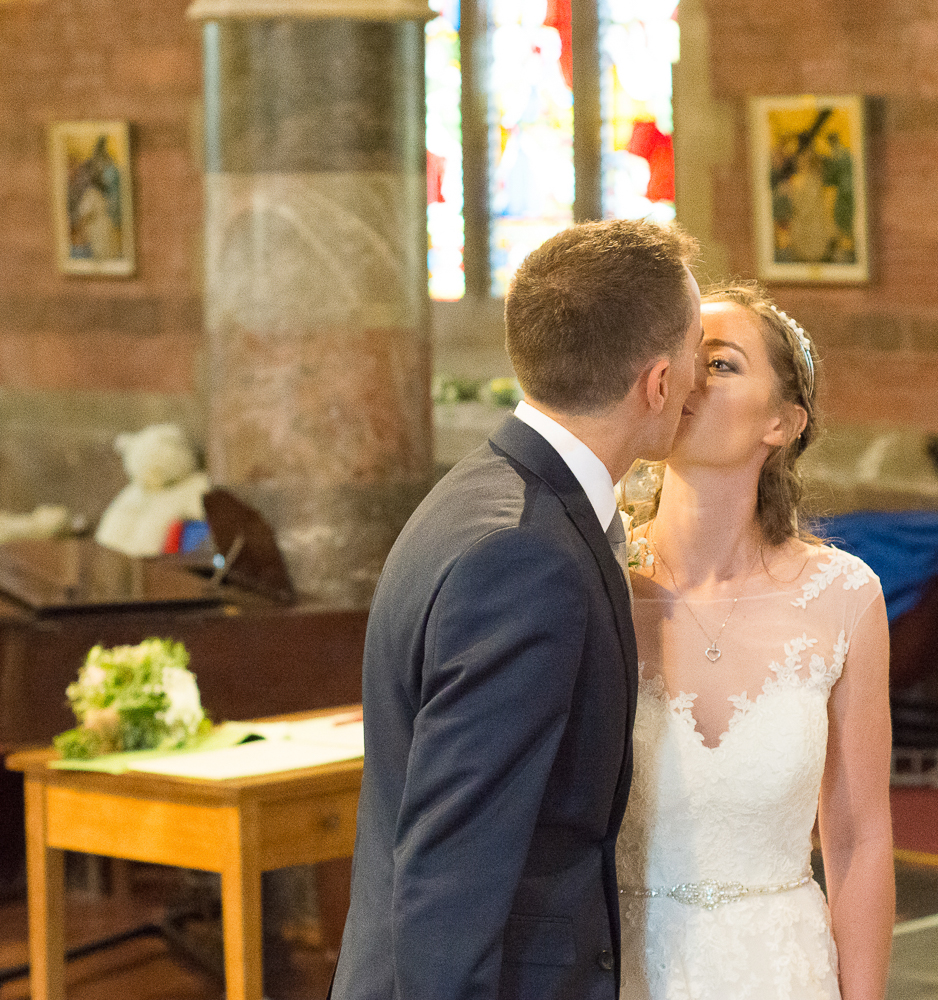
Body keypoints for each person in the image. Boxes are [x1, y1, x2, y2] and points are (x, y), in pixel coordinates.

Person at [331, 219, 702, 1000]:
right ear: (659, 382)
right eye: (698, 351)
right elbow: (452, 874)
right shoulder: (524, 559)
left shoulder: (489, 491)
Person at [615, 283, 894, 999]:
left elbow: (860, 838)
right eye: (682, 359)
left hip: (781, 973)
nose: (689, 380)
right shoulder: (600, 581)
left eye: (722, 363)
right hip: (623, 968)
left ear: (783, 422)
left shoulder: (841, 597)